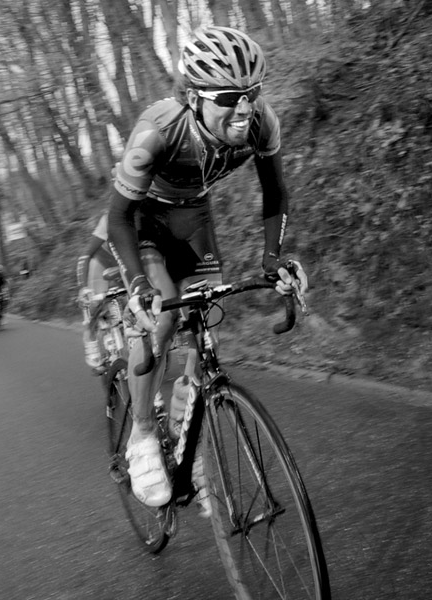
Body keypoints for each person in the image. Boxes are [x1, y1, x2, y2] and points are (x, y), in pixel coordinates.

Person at [105, 26, 308, 508]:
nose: (245, 108)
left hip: (193, 216)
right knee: (163, 317)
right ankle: (142, 435)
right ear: (194, 96)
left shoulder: (261, 123)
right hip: (145, 220)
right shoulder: (159, 129)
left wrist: (273, 259)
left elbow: (275, 194)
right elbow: (117, 217)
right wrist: (136, 284)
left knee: (208, 316)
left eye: (253, 93)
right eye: (230, 96)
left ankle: (187, 429)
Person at [75, 212, 119, 371]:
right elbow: (85, 256)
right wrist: (83, 287)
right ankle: (91, 340)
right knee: (95, 305)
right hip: (100, 265)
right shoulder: (108, 221)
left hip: (122, 266)